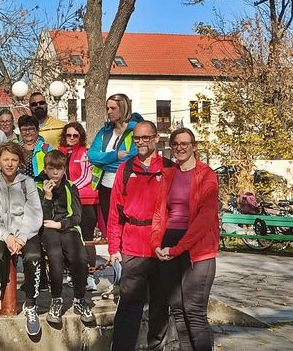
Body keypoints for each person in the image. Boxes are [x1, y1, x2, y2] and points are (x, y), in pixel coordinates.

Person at [152, 128, 219, 350]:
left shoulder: (207, 174)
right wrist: (157, 244)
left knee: (194, 311)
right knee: (178, 309)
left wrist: (178, 248)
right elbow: (160, 213)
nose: (180, 148)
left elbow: (204, 218)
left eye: (185, 143)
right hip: (170, 242)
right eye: (176, 144)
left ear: (194, 146)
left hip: (198, 248)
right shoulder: (169, 174)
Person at [108, 120, 172, 351]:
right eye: (137, 138)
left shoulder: (169, 168)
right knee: (128, 306)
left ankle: (157, 347)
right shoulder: (125, 170)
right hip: (133, 246)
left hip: (161, 247)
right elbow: (114, 212)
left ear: (156, 138)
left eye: (146, 138)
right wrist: (114, 248)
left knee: (159, 304)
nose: (142, 142)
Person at [0, 143, 45, 336]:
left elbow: (34, 213)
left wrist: (20, 238)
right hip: (1, 233)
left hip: (26, 233)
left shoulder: (27, 183)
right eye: (6, 159)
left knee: (33, 258)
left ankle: (31, 304)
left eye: (14, 160)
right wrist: (7, 237)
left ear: (20, 162)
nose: (10, 164)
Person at [38, 150, 95, 324]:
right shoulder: (38, 186)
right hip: (47, 228)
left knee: (79, 257)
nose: (55, 173)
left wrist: (61, 224)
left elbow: (77, 215)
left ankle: (79, 298)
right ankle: (56, 298)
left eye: (59, 169)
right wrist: (47, 197)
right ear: (46, 170)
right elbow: (41, 216)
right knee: (55, 256)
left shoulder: (70, 186)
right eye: (51, 169)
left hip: (67, 226)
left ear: (64, 170)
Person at [88, 94, 143, 235]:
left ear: (123, 108)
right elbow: (92, 156)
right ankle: (115, 255)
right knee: (111, 225)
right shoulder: (105, 131)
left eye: (113, 108)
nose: (109, 112)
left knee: (128, 226)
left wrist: (104, 162)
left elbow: (132, 158)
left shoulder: (135, 130)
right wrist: (115, 156)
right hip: (106, 187)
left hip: (128, 185)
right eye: (107, 108)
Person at [58, 121, 99, 291]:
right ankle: (71, 273)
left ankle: (90, 276)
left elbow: (86, 176)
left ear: (80, 136)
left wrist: (70, 187)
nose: (72, 138)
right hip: (66, 200)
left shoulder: (85, 153)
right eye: (69, 135)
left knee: (87, 238)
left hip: (86, 199)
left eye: (76, 135)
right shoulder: (62, 152)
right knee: (69, 237)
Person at [17, 115, 53, 183]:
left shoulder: (47, 148)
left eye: (31, 129)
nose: (27, 132)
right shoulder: (16, 149)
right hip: (20, 189)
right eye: (24, 130)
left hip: (41, 187)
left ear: (38, 130)